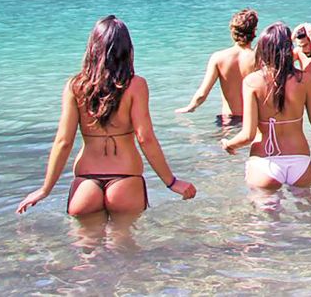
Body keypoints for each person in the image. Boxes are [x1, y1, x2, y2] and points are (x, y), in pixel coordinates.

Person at [16, 15, 197, 216]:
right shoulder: (135, 85)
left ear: (92, 48)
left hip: (86, 180)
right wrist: (171, 182)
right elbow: (145, 138)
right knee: (124, 245)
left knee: (86, 245)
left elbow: (63, 142)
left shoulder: (75, 86)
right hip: (125, 177)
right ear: (127, 50)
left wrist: (45, 190)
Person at [221, 22, 311, 189]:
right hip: (301, 162)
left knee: (265, 214)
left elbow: (248, 135)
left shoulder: (252, 82)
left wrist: (229, 144)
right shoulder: (304, 80)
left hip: (265, 162)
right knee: (306, 213)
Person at [176, 8, 258, 126]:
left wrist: (190, 107)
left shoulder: (218, 57)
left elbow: (202, 94)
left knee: (226, 143)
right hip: (253, 118)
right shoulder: (259, 58)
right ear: (254, 31)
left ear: (232, 31)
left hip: (228, 119)